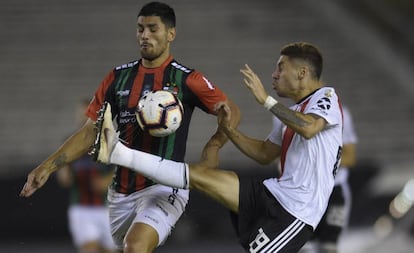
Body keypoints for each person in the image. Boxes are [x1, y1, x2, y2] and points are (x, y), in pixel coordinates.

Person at [19, 2, 240, 253]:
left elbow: (233, 112)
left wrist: (214, 145)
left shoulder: (188, 79)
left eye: (153, 29)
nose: (145, 35)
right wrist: (47, 167)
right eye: (140, 29)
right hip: (120, 192)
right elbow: (90, 131)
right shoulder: (117, 78)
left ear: (171, 34)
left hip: (164, 187)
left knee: (135, 247)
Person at [93, 42, 344, 252]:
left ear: (302, 72)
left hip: (296, 213)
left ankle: (120, 153)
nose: (274, 75)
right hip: (273, 193)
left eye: (281, 68)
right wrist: (228, 130)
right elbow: (265, 153)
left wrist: (265, 100)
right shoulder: (292, 112)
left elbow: (310, 128)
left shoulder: (326, 97)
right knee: (201, 176)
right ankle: (119, 152)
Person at [56, 99, 116, 253]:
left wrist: (107, 181)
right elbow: (64, 179)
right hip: (81, 208)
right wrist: (64, 172)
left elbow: (122, 171)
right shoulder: (69, 143)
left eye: (87, 114)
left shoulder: (108, 141)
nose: (83, 118)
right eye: (81, 114)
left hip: (107, 208)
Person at [300, 106, 357, 253]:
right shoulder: (284, 113)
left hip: (333, 189)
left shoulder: (340, 113)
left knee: (329, 247)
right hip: (301, 192)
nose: (276, 81)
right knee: (304, 248)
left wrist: (315, 163)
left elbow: (350, 157)